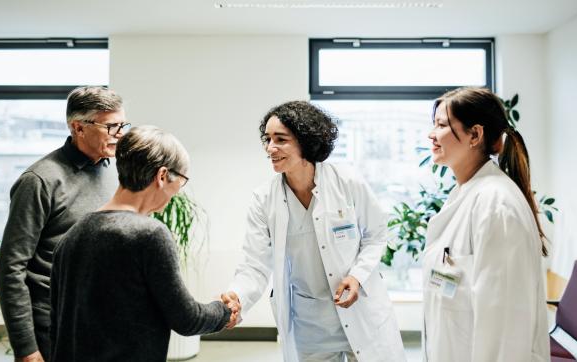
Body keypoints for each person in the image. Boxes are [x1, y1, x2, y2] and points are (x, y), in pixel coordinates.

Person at [221, 101, 406, 362]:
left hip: (361, 311)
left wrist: (357, 276)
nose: (270, 148)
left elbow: (376, 234)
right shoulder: (264, 199)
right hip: (311, 324)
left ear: (306, 141)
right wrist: (237, 295)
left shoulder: (347, 182)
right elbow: (254, 264)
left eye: (280, 139)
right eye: (267, 139)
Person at [49, 125, 237, 362]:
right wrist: (224, 311)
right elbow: (187, 318)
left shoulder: (72, 235)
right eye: (182, 180)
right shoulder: (148, 235)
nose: (177, 192)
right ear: (162, 176)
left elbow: (56, 324)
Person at [0, 86, 127, 362]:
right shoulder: (39, 181)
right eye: (111, 127)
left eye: (122, 125)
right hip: (55, 329)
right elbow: (10, 268)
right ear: (78, 128)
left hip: (103, 324)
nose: (120, 135)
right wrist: (26, 348)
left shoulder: (114, 171)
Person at [422, 87, 550, 361]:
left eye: (441, 125)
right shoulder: (466, 194)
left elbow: (507, 327)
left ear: (475, 135)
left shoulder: (496, 206)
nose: (431, 135)